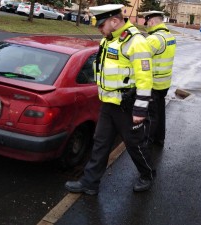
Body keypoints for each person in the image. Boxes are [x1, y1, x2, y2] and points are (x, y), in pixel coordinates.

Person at [65, 4, 155, 195]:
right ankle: (90, 183)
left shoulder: (136, 41)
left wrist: (140, 110)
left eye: (101, 25)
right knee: (100, 143)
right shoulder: (109, 39)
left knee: (134, 144)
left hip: (127, 106)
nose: (99, 29)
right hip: (109, 103)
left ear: (114, 21)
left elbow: (145, 79)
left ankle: (147, 174)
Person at [140, 11, 176, 148]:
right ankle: (159, 140)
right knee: (160, 113)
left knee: (151, 117)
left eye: (147, 23)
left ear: (152, 22)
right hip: (164, 83)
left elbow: (140, 59)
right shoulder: (169, 36)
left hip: (153, 84)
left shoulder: (154, 39)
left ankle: (146, 145)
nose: (147, 26)